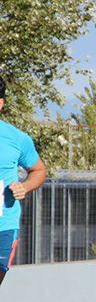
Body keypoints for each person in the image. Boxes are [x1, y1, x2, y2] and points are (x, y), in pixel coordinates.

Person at [0, 75, 47, 287]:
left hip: (4, 226)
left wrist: (24, 186)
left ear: (1, 103)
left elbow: (38, 170)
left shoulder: (16, 138)